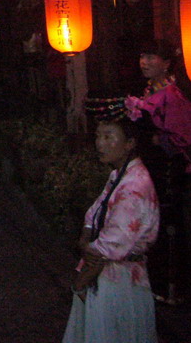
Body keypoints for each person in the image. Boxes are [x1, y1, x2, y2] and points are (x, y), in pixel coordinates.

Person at [62, 99, 159, 343]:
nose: (100, 144)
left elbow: (111, 245)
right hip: (108, 276)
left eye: (108, 137)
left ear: (129, 144)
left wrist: (84, 261)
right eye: (98, 136)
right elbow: (94, 213)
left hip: (120, 281)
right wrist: (86, 236)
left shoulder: (135, 186)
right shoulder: (120, 175)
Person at [125, 38, 191, 305]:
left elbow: (183, 138)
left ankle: (172, 286)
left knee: (168, 224)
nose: (145, 62)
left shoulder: (173, 95)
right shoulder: (150, 90)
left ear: (167, 63)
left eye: (152, 57)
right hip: (151, 166)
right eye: (143, 56)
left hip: (168, 168)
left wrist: (155, 138)